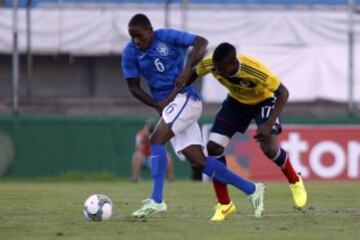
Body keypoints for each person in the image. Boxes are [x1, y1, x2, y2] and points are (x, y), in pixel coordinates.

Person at [122, 14, 265, 219]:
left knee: (156, 139)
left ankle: (156, 200)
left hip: (185, 98)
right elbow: (133, 87)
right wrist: (156, 104)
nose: (136, 40)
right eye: (132, 36)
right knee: (198, 161)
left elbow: (202, 42)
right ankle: (252, 189)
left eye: (139, 35)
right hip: (168, 106)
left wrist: (188, 71)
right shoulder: (129, 52)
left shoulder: (167, 37)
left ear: (150, 30)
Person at [184, 42, 307, 221]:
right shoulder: (211, 63)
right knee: (213, 148)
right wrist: (178, 89)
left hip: (263, 102)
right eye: (215, 68)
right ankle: (225, 205)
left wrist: (268, 124)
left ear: (233, 63)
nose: (216, 71)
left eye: (220, 68)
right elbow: (193, 73)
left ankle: (295, 180)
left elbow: (283, 92)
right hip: (236, 103)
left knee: (269, 149)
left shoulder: (254, 69)